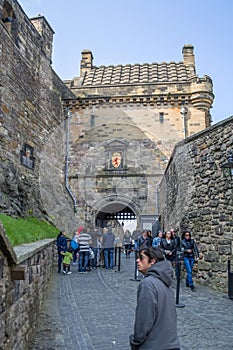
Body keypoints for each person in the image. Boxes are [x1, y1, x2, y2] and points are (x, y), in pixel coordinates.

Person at [129, 246, 180, 350]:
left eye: (141, 258)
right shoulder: (164, 280)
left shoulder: (148, 283)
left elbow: (144, 318)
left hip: (154, 345)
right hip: (170, 344)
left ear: (152, 261)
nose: (137, 260)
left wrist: (136, 340)